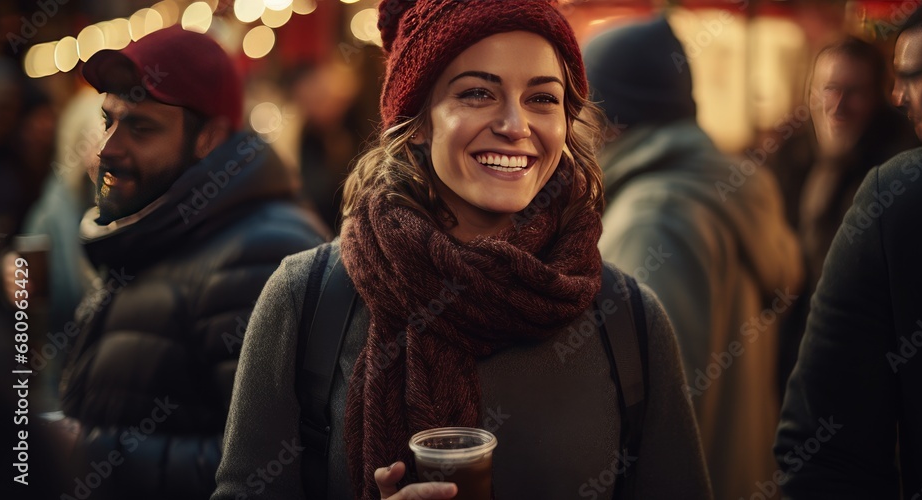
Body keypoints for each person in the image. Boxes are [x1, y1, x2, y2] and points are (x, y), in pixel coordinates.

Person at [213, 1, 712, 499]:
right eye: (477, 93)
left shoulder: (629, 320)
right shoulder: (307, 300)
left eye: (543, 99)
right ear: (420, 120)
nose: (516, 125)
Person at [54, 26, 328, 500]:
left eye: (140, 127)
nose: (106, 150)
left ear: (211, 138)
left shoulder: (258, 253)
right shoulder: (157, 227)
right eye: (108, 121)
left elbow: (270, 469)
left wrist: (88, 456)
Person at [775, 3, 922, 498]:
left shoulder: (897, 189)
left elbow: (824, 447)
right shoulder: (793, 168)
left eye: (911, 77)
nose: (900, 96)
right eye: (826, 91)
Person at [585, 16, 802, 500]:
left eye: (580, 109)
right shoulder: (722, 190)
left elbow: (647, 423)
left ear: (611, 120)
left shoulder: (654, 219)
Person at [778, 36, 919, 393]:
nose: (837, 105)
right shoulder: (786, 161)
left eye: (854, 92)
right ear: (810, 94)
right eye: (829, 89)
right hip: (793, 361)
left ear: (879, 99)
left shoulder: (899, 175)